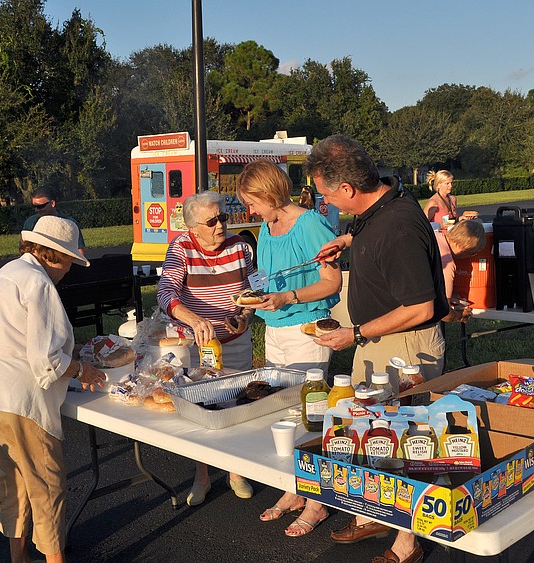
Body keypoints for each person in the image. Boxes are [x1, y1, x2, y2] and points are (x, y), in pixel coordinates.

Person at [308, 135, 448, 563]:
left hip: (404, 346)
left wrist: (355, 333)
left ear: (348, 188)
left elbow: (420, 306)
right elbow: (373, 230)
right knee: (373, 438)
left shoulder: (399, 225)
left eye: (325, 195)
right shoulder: (379, 206)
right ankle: (376, 516)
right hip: (376, 341)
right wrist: (348, 243)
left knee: (409, 443)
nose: (326, 204)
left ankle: (407, 543)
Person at [0, 216, 105, 563]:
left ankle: (19, 556)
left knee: (11, 479)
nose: (69, 269)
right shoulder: (40, 284)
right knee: (46, 485)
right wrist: (82, 369)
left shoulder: (8, 272)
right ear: (56, 256)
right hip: (18, 398)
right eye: (70, 262)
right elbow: (45, 361)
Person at [236, 160, 341, 537]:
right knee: (282, 412)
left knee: (309, 416)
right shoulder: (267, 226)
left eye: (252, 201)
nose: (250, 211)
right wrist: (253, 302)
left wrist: (288, 297)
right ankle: (293, 488)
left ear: (269, 193)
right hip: (275, 328)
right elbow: (267, 279)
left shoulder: (310, 223)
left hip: (306, 329)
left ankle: (317, 502)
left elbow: (332, 282)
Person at [157, 191, 256, 507]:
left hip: (233, 341)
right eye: (212, 221)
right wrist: (192, 317)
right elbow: (166, 289)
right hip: (194, 341)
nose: (220, 226)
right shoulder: (181, 247)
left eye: (223, 218)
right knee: (199, 409)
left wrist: (244, 317)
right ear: (192, 227)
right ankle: (201, 475)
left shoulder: (240, 247)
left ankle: (236, 469)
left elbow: (252, 292)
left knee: (236, 403)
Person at [435, 219, 486, 322]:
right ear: (465, 247)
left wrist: (448, 296)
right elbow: (444, 313)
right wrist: (460, 315)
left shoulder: (435, 236)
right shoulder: (447, 263)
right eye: (472, 253)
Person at [23, 187, 85, 255]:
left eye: (41, 206)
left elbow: (79, 250)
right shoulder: (29, 223)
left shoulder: (70, 223)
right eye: (34, 206)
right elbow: (25, 249)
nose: (37, 210)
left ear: (52, 203)